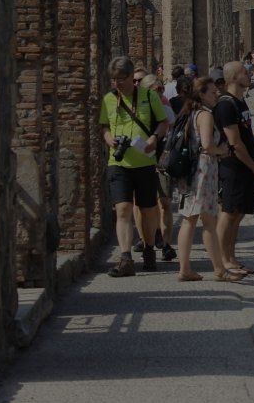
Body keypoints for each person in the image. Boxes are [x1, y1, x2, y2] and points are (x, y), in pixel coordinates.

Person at [99, 56, 169, 276]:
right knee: (123, 209)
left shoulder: (149, 96)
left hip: (145, 162)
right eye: (114, 79)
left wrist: (154, 139)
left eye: (121, 78)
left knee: (148, 210)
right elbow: (104, 126)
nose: (117, 83)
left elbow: (163, 122)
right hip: (118, 162)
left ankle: (149, 249)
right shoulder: (109, 99)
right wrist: (109, 139)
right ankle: (125, 258)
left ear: (131, 77)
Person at [171, 77, 244, 283]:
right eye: (212, 92)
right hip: (203, 169)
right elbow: (206, 144)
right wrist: (221, 151)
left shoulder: (190, 112)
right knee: (208, 221)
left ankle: (185, 268)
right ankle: (219, 270)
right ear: (201, 94)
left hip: (191, 171)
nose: (216, 94)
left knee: (189, 219)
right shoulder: (205, 115)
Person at [215, 60, 254, 276]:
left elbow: (248, 138)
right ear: (234, 77)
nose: (248, 74)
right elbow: (235, 143)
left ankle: (231, 257)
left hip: (246, 167)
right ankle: (222, 261)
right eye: (244, 72)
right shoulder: (225, 105)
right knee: (228, 213)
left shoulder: (241, 103)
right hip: (232, 167)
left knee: (238, 214)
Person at [131, 74, 177, 262]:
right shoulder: (137, 110)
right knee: (141, 203)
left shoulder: (166, 109)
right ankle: (145, 240)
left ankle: (166, 244)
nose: (159, 92)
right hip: (141, 158)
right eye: (155, 89)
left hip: (162, 160)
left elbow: (173, 133)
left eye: (161, 89)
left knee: (165, 202)